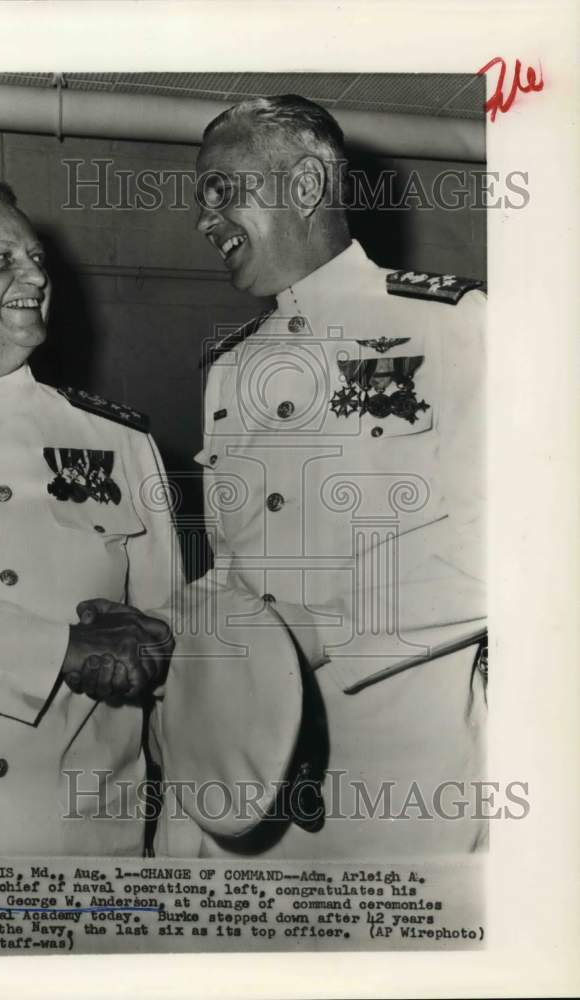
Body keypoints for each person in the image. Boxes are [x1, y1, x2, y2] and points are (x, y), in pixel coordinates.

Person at [0, 180, 302, 858]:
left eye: (37, 259)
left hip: (89, 844)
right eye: (2, 261)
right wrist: (64, 648)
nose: (35, 274)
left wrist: (180, 845)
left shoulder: (119, 443)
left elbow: (167, 647)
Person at [190, 95, 487, 858]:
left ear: (306, 185)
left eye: (223, 189)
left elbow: (519, 545)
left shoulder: (454, 325)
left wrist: (318, 631)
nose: (205, 218)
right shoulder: (230, 370)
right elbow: (233, 571)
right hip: (254, 790)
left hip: (400, 799)